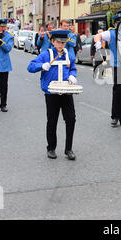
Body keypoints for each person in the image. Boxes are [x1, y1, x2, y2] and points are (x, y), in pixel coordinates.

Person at [27, 30, 78, 161]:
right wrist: (41, 66)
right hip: (51, 93)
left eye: (63, 42)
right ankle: (51, 148)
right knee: (52, 120)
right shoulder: (46, 55)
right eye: (58, 42)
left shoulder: (68, 55)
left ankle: (69, 149)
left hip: (66, 92)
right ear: (52, 42)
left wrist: (73, 76)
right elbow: (30, 67)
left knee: (71, 119)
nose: (61, 45)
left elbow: (73, 68)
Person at [93, 13, 121, 128]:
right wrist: (98, 45)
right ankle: (115, 117)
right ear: (116, 24)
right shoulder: (111, 32)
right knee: (119, 91)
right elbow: (98, 36)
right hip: (119, 66)